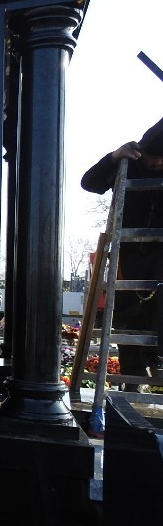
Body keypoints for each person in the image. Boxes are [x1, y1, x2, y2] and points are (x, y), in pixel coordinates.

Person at [81, 116, 163, 390]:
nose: (158, 163)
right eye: (154, 157)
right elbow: (89, 183)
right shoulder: (127, 163)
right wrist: (113, 158)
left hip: (160, 251)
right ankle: (133, 376)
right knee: (127, 314)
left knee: (157, 312)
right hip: (128, 253)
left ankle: (155, 362)